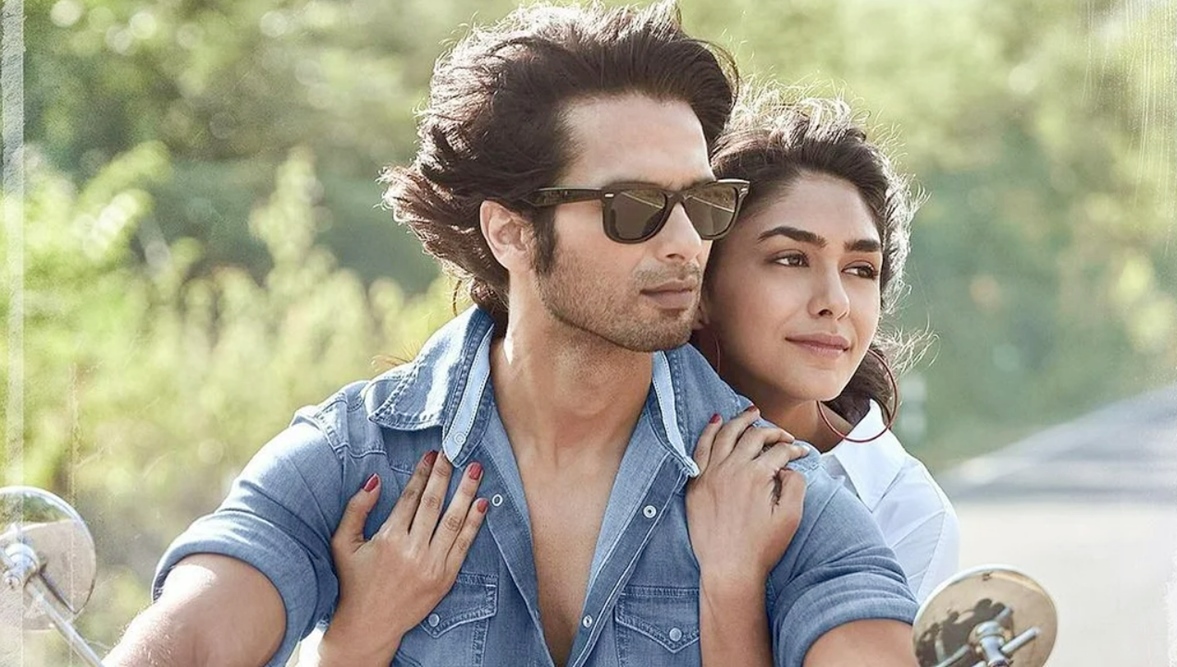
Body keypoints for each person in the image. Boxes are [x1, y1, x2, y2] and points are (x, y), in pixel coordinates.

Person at [103, 3, 919, 666]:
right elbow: (190, 638)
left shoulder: (773, 490)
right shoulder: (355, 459)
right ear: (511, 232)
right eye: (634, 207)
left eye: (704, 205)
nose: (684, 243)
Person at [692, 90, 960, 602]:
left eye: (860, 269)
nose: (835, 302)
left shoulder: (903, 511)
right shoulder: (619, 443)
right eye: (791, 259)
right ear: (700, 286)